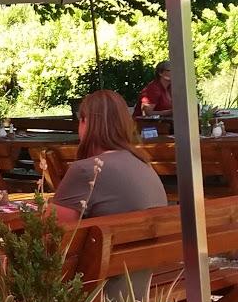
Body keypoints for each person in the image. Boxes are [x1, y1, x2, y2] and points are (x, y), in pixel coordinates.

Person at [53, 90, 167, 225]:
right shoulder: (143, 163)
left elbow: (51, 233)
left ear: (86, 122)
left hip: (111, 245)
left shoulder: (86, 170)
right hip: (146, 244)